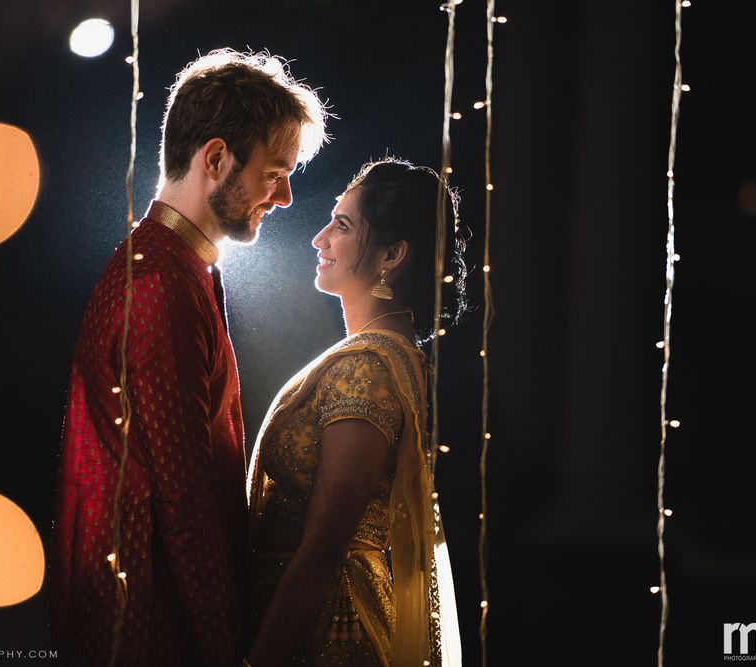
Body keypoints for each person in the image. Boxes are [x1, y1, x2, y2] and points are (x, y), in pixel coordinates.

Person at [50, 49, 328, 667]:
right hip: (151, 628)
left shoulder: (180, 270)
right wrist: (232, 651)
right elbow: (186, 506)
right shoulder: (160, 287)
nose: (283, 198)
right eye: (274, 172)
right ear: (216, 159)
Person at [244, 158, 465, 667]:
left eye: (342, 226)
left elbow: (323, 549)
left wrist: (256, 660)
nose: (319, 239)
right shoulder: (392, 356)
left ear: (392, 255)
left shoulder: (367, 368)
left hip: (326, 632)